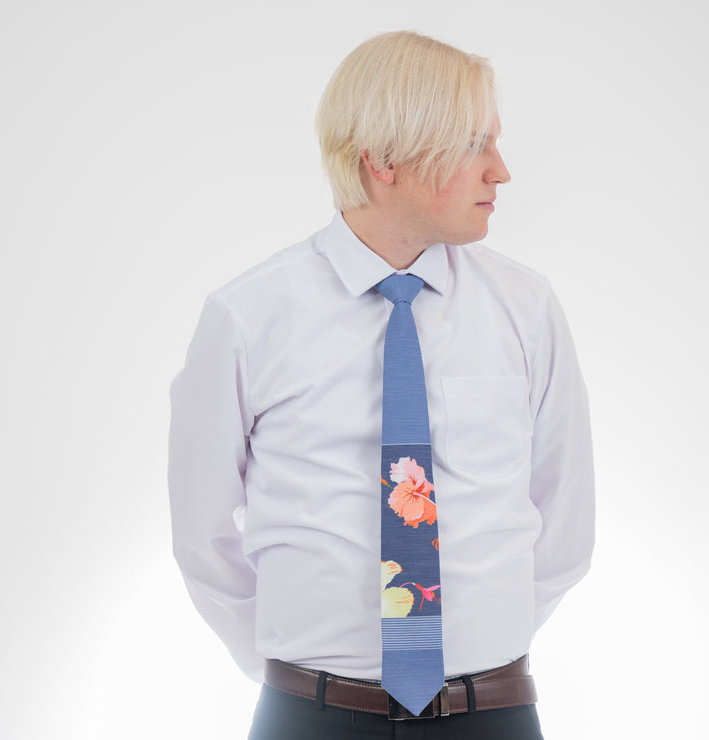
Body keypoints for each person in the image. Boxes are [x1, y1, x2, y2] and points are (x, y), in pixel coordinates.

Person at [168, 30, 594, 739]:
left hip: (492, 714)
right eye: (473, 145)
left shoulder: (526, 309)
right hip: (309, 716)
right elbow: (203, 535)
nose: (502, 172)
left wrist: (475, 656)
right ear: (384, 161)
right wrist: (306, 677)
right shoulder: (247, 318)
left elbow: (565, 523)